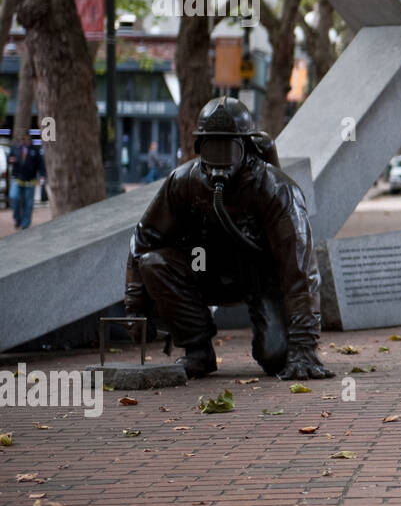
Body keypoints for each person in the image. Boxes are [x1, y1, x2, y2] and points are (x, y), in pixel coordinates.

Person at [123, 97, 333, 381]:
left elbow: (301, 271)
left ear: (246, 147)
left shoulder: (277, 189)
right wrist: (135, 309)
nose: (219, 161)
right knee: (153, 262)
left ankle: (287, 347)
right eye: (212, 148)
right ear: (199, 147)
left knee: (276, 357)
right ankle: (197, 349)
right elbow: (144, 239)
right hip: (203, 270)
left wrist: (303, 346)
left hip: (261, 280)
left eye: (228, 148)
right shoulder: (183, 182)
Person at [9, 131, 45, 229]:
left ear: (29, 138)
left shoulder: (35, 150)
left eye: (25, 138)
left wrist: (42, 175)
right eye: (22, 138)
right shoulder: (15, 149)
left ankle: (25, 223)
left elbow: (41, 164)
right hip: (17, 178)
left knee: (28, 203)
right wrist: (10, 160)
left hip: (30, 180)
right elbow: (10, 158)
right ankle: (17, 218)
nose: (23, 140)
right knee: (14, 197)